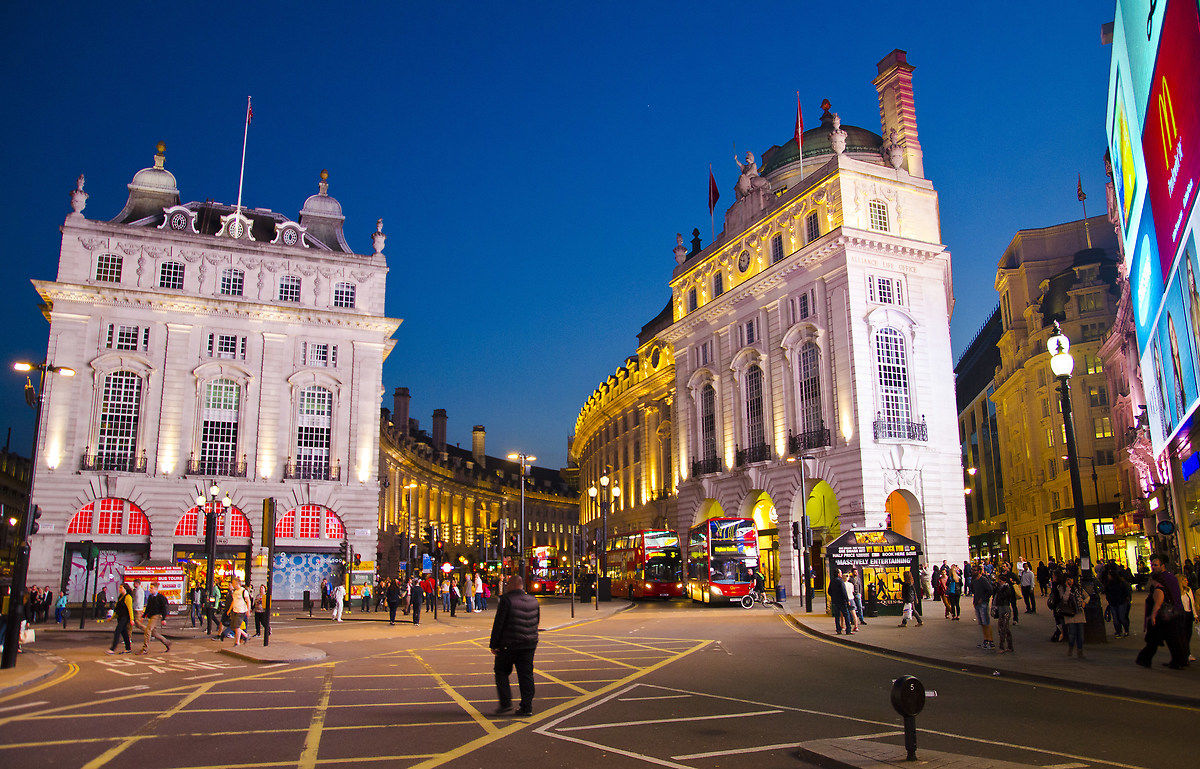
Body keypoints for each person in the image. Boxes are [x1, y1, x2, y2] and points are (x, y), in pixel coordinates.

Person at [490, 575, 540, 717]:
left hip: (509, 644)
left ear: (512, 585)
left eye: (508, 584)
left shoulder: (506, 600)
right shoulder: (533, 600)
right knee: (526, 675)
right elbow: (536, 621)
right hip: (529, 644)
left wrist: (494, 644)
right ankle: (527, 707)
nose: (506, 586)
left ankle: (506, 703)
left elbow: (499, 624)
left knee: (501, 672)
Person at [1056, 573, 1086, 658]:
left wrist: (1084, 602)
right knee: (1072, 633)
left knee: (1080, 634)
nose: (1070, 581)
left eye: (1071, 579)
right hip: (1069, 613)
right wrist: (1068, 588)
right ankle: (1071, 647)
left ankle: (1080, 650)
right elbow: (1064, 599)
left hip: (1079, 613)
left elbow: (1087, 596)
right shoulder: (1062, 588)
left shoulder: (1078, 588)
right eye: (1068, 579)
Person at [138, 582, 171, 655]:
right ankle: (166, 642)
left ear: (156, 589)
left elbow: (164, 608)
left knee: (148, 630)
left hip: (156, 615)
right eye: (150, 588)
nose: (150, 589)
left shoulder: (161, 597)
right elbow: (148, 607)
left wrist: (163, 619)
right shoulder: (150, 597)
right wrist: (143, 616)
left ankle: (145, 649)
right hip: (151, 615)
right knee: (154, 633)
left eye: (151, 588)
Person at [971, 565, 995, 649]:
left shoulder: (983, 580)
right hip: (977, 603)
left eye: (975, 570)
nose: (973, 572)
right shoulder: (974, 580)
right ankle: (986, 639)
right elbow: (973, 590)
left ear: (979, 571)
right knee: (981, 622)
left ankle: (990, 640)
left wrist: (983, 599)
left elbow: (990, 590)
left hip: (983, 603)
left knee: (986, 622)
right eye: (972, 570)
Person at [1104, 567, 1133, 638]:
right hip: (1115, 602)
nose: (1108, 576)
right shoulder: (1110, 584)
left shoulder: (1121, 583)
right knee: (1116, 618)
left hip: (1121, 602)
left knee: (1121, 617)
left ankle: (1124, 631)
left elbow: (1126, 592)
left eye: (1109, 575)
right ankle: (1119, 631)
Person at [106, 583, 134, 654]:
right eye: (119, 587)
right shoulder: (121, 596)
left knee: (117, 631)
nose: (119, 589)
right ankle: (128, 648)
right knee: (124, 633)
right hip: (120, 617)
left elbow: (130, 609)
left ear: (125, 589)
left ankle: (113, 649)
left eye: (121, 588)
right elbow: (117, 609)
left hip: (125, 617)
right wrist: (111, 618)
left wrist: (131, 619)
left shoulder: (128, 597)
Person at [994, 568, 1016, 653]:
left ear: (1003, 581)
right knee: (1005, 629)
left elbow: (1005, 597)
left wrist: (1000, 590)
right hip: (1001, 608)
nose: (998, 582)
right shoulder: (1000, 588)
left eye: (1000, 581)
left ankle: (1002, 647)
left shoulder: (1007, 588)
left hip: (1005, 609)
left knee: (1003, 629)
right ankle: (1010, 646)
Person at [828, 571, 855, 635]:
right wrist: (847, 600)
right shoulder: (840, 581)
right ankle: (848, 630)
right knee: (846, 615)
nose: (841, 574)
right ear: (838, 574)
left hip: (835, 601)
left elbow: (829, 591)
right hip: (842, 601)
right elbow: (844, 591)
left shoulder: (832, 581)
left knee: (837, 616)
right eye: (840, 573)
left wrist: (834, 596)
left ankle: (838, 630)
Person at [1179, 573, 1195, 664]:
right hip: (1182, 615)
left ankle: (1185, 652)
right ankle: (1186, 653)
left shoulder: (1188, 590)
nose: (1187, 582)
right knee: (1183, 635)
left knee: (1188, 635)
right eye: (1184, 580)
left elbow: (1192, 603)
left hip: (1189, 614)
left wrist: (1195, 615)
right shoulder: (1178, 592)